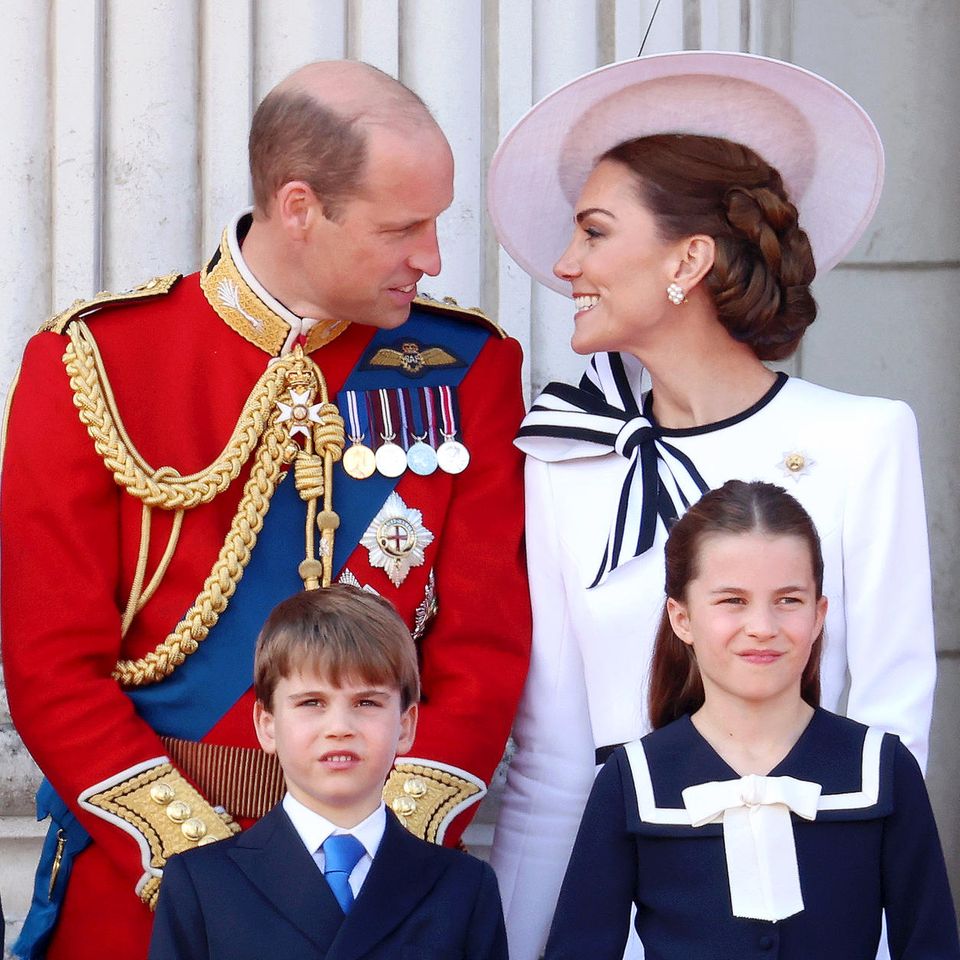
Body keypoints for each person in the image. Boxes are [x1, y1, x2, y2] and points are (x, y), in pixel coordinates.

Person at [2, 60, 530, 960]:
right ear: (298, 207)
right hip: (146, 883)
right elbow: (50, 664)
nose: (433, 257)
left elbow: (481, 652)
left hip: (376, 887)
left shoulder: (467, 369)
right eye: (403, 226)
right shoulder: (93, 362)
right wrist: (207, 866)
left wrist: (375, 850)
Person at [486, 52, 936, 959]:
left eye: (595, 233)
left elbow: (892, 732)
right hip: (633, 921)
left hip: (820, 915)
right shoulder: (564, 460)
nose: (566, 265)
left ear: (688, 258)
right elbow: (552, 766)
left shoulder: (865, 440)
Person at [542, 480, 958, 959]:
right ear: (683, 619)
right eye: (732, 601)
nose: (762, 627)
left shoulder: (882, 769)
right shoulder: (632, 779)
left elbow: (931, 946)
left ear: (820, 614)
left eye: (789, 600)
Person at [149, 584, 508, 960]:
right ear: (267, 724)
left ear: (406, 726)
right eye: (312, 702)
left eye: (366, 702)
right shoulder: (203, 883)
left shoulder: (463, 888)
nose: (340, 727)